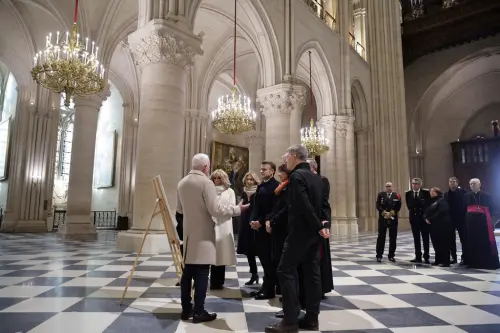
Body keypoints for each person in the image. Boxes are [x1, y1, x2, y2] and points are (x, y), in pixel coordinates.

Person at [176, 153, 248, 323]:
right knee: (201, 273)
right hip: (204, 235)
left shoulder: (182, 182)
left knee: (187, 274)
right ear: (206, 167)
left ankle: (186, 310)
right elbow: (215, 209)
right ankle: (199, 311)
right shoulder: (205, 183)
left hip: (188, 234)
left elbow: (179, 210)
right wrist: (237, 210)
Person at [265, 144, 329, 333]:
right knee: (312, 274)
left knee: (285, 270)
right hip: (313, 235)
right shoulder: (317, 178)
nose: (284, 160)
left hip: (300, 232)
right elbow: (324, 206)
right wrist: (323, 226)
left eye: (286, 156)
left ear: (294, 156)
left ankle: (290, 321)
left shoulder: (297, 176)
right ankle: (311, 318)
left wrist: (318, 225)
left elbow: (302, 205)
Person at [250, 161, 279, 300]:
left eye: (264, 169)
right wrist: (253, 220)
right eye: (261, 169)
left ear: (272, 171)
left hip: (267, 228)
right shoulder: (262, 184)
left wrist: (261, 222)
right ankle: (265, 286)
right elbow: (257, 205)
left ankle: (269, 289)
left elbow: (272, 208)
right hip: (258, 226)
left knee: (268, 260)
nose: (261, 171)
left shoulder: (275, 186)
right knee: (263, 258)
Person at [265, 164, 290, 319]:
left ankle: (285, 296)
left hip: (284, 230)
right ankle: (279, 290)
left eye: (281, 172)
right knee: (276, 260)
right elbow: (274, 208)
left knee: (283, 263)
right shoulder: (280, 188)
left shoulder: (289, 188)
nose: (279, 175)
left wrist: (272, 222)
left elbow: (285, 209)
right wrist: (268, 219)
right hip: (276, 228)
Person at [307, 158, 334, 297]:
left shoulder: (322, 180)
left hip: (319, 221)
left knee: (319, 257)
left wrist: (325, 223)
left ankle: (320, 288)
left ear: (312, 167)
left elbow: (324, 203)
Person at [209, 169, 237, 290]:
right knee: (210, 254)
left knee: (221, 254)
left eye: (219, 178)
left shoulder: (230, 192)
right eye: (214, 178)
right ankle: (207, 280)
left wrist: (220, 211)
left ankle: (218, 282)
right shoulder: (209, 191)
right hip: (210, 224)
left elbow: (232, 208)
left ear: (223, 179)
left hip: (224, 225)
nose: (216, 180)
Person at [462, 178, 500, 270]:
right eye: (471, 184)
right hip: (471, 222)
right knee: (472, 241)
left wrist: (492, 221)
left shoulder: (487, 195)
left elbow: (493, 208)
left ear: (479, 185)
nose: (472, 185)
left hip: (483, 222)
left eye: (474, 184)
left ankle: (486, 261)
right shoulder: (466, 196)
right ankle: (473, 262)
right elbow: (463, 209)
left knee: (484, 241)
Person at [236, 172, 261, 286]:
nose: (249, 181)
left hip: (255, 222)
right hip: (245, 222)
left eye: (252, 179)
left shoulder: (259, 191)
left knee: (260, 250)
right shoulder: (244, 192)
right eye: (248, 179)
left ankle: (268, 276)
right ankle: (254, 274)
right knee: (249, 251)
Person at [405, 178, 431, 264]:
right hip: (414, 218)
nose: (414, 185)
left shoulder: (426, 193)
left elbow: (427, 205)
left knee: (425, 238)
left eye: (416, 183)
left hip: (423, 218)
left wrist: (425, 216)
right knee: (416, 238)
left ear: (420, 185)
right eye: (413, 183)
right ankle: (418, 256)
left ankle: (426, 257)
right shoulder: (408, 193)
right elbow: (409, 206)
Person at [425, 187, 452, 267]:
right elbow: (427, 211)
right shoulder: (431, 201)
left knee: (443, 243)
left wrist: (430, 219)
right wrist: (425, 218)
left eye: (433, 191)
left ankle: (445, 261)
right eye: (430, 191)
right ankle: (438, 260)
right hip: (434, 226)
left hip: (443, 225)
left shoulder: (442, 200)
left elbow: (441, 211)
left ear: (437, 192)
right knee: (436, 243)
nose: (431, 193)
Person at [375, 182, 402, 262]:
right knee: (381, 237)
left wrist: (391, 213)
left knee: (393, 237)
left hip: (392, 218)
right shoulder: (381, 194)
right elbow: (378, 205)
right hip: (383, 218)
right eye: (387, 186)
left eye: (389, 186)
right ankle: (379, 255)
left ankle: (391, 255)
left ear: (393, 187)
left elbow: (398, 207)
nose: (388, 188)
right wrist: (384, 212)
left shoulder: (397, 195)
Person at [444, 177, 466, 264]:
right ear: (448, 183)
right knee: (451, 240)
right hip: (450, 219)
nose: (452, 183)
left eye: (454, 182)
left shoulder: (463, 193)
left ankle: (464, 257)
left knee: (463, 239)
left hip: (461, 218)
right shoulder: (446, 194)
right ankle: (454, 257)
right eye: (450, 182)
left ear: (457, 183)